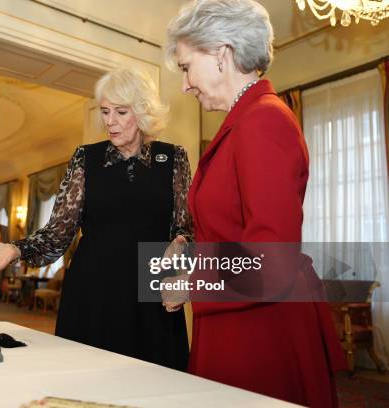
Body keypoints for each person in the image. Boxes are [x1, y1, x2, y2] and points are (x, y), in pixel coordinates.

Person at [164, 0, 346, 406]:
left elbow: (271, 261)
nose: (184, 85)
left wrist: (191, 283)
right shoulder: (244, 121)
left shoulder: (262, 120)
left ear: (221, 54)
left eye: (185, 67)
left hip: (259, 334)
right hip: (241, 320)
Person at [0, 67, 192, 371]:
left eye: (120, 112)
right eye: (105, 111)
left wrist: (181, 270)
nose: (109, 121)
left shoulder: (173, 158)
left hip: (149, 295)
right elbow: (59, 232)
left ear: (142, 111)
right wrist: (15, 248)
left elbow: (184, 229)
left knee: (155, 386)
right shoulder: (86, 158)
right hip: (93, 291)